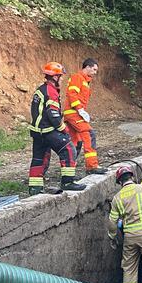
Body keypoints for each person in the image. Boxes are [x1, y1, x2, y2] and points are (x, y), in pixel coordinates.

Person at [28, 62, 86, 195]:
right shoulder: (51, 91)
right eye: (61, 76)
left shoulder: (41, 89)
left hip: (37, 132)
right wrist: (63, 128)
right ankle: (67, 182)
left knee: (39, 158)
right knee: (68, 150)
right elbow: (53, 114)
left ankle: (35, 189)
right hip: (48, 130)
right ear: (55, 77)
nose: (62, 79)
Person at [63, 58, 107, 175]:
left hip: (73, 113)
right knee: (89, 134)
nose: (95, 72)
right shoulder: (78, 78)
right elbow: (72, 94)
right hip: (73, 113)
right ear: (87, 67)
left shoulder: (84, 80)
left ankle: (69, 169)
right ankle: (92, 166)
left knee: (75, 141)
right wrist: (80, 109)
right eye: (94, 69)